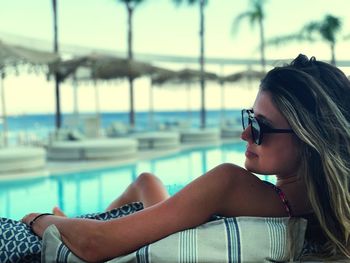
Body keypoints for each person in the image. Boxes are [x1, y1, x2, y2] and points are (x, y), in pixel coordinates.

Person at [22, 54, 350, 262]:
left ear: (309, 140)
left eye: (260, 127)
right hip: (177, 221)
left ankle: (71, 219)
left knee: (142, 184)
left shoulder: (231, 183)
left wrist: (40, 221)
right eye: (248, 119)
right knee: (147, 181)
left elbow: (97, 244)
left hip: (142, 236)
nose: (245, 134)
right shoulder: (323, 207)